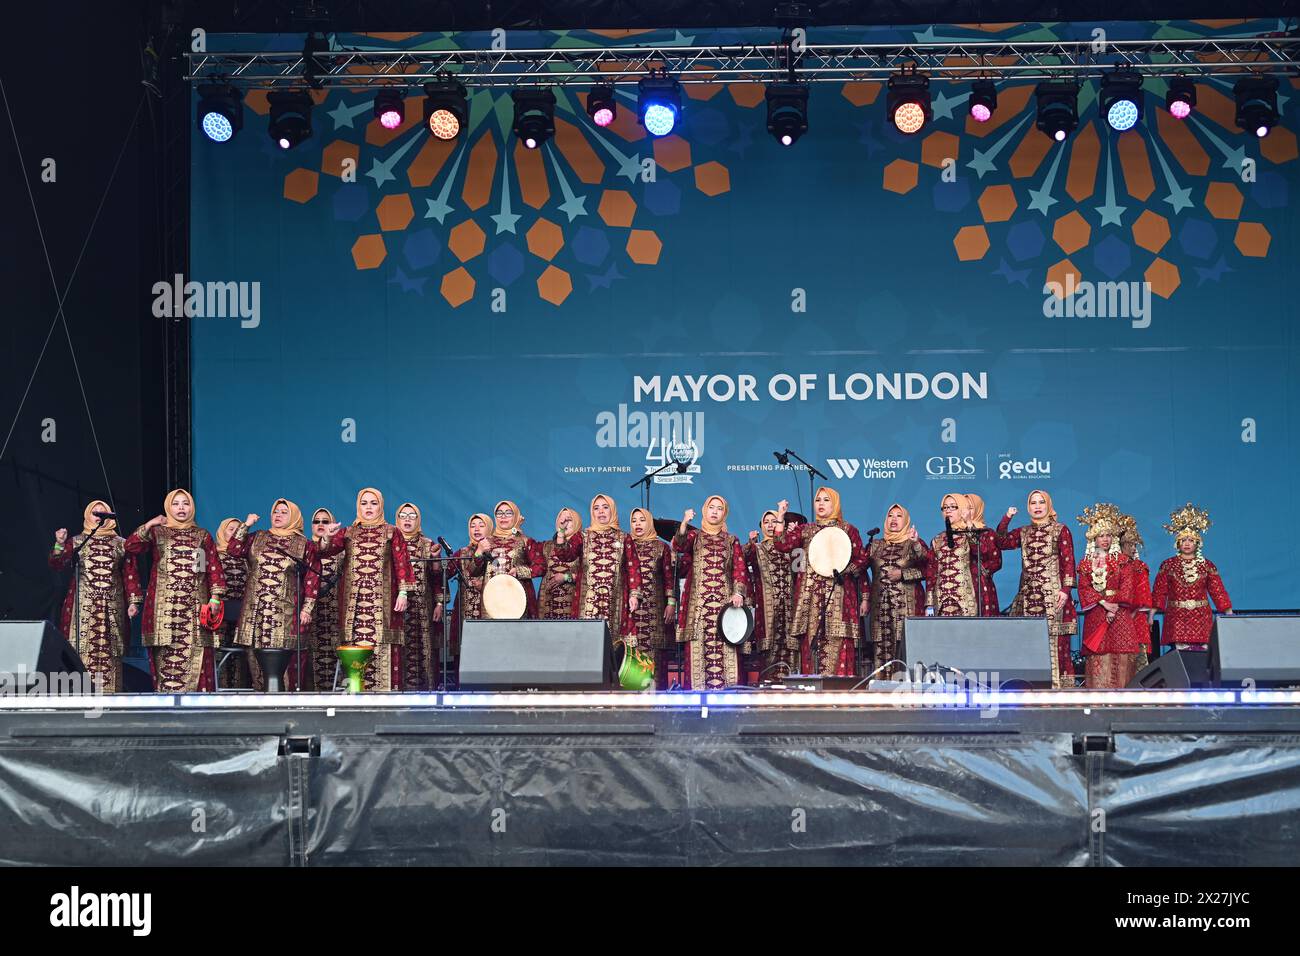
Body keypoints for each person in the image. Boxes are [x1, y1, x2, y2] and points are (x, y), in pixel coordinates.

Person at [125, 488, 227, 692]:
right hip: (163, 609)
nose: (181, 507)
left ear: (192, 507)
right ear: (168, 507)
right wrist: (150, 524)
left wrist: (215, 598)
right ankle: (166, 707)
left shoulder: (202, 536)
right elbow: (131, 547)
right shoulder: (157, 533)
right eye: (176, 503)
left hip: (194, 608)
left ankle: (196, 710)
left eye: (185, 503)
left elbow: (211, 567)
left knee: (196, 654)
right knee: (164, 654)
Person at [318, 488, 414, 691]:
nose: (369, 507)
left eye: (373, 503)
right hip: (354, 605)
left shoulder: (391, 531)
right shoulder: (349, 532)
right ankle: (355, 696)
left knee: (382, 646)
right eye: (364, 503)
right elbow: (324, 550)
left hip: (382, 604)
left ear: (380, 505)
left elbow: (401, 563)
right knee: (354, 647)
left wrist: (403, 592)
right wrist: (328, 535)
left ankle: (386, 701)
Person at [224, 499, 322, 691]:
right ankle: (262, 708)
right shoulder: (257, 537)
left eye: (284, 512)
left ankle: (287, 708)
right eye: (275, 511)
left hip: (284, 614)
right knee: (257, 666)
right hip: (255, 613)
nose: (278, 515)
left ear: (293, 516)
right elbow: (233, 549)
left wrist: (307, 608)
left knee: (284, 669)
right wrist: (246, 525)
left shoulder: (303, 544)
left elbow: (312, 578)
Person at [48, 500, 143, 693]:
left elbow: (130, 573)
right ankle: (81, 694)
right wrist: (59, 544)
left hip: (112, 605)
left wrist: (134, 601)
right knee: (81, 649)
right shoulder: (77, 541)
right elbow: (57, 563)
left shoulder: (121, 544)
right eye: (95, 513)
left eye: (103, 513)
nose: (99, 516)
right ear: (87, 516)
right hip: (83, 606)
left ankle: (111, 696)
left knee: (110, 649)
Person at [773, 487, 868, 676]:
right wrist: (780, 517)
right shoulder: (806, 529)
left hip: (839, 597)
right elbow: (782, 544)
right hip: (812, 599)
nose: (821, 504)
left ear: (835, 504)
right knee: (812, 646)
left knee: (839, 646)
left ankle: (840, 698)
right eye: (818, 500)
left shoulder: (848, 529)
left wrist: (843, 570)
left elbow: (862, 559)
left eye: (826, 500)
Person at [995, 490, 1078, 688]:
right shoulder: (1023, 532)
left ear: (1048, 505)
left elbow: (1068, 561)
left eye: (1041, 502)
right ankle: (1033, 686)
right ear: (1028, 507)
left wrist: (1066, 590)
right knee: (1030, 642)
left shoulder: (1060, 529)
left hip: (1053, 594)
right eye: (1033, 503)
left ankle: (1058, 687)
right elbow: (1001, 542)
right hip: (1029, 596)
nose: (1038, 506)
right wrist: (1007, 518)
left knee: (1056, 643)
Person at [673, 496, 749, 690]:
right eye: (711, 507)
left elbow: (739, 569)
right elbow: (679, 546)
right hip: (699, 607)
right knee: (698, 649)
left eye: (719, 508)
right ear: (705, 510)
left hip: (725, 607)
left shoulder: (732, 540)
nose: (714, 511)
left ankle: (729, 703)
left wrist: (738, 593)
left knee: (726, 651)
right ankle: (696, 705)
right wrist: (684, 523)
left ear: (725, 513)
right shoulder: (694, 536)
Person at [550, 494, 641, 641]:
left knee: (614, 643)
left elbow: (633, 568)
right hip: (588, 600)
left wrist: (634, 594)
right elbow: (565, 555)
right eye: (596, 508)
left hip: (615, 598)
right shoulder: (583, 536)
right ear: (592, 513)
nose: (601, 512)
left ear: (612, 510)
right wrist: (561, 532)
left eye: (605, 508)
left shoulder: (624, 537)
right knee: (589, 643)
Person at [1076, 503, 1141, 688]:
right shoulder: (1086, 564)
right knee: (1098, 655)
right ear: (1093, 539)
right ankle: (1097, 702)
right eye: (1101, 536)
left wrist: (1114, 607)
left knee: (1121, 654)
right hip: (1097, 613)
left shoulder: (1123, 562)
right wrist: (1105, 604)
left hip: (1120, 614)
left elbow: (1127, 587)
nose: (1105, 539)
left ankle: (1121, 703)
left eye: (1108, 535)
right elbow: (1084, 588)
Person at [1152, 502, 1232, 651]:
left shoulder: (1207, 565)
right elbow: (1159, 591)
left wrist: (1228, 611)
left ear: (1197, 543)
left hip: (1201, 617)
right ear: (1177, 543)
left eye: (1190, 540)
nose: (1187, 544)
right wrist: (1152, 613)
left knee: (1202, 656)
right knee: (1180, 657)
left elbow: (1217, 590)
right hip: (1177, 617)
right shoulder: (1168, 565)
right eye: (1183, 540)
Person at [864, 503, 928, 677]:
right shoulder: (875, 545)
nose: (894, 519)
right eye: (891, 515)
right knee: (880, 648)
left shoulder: (912, 543)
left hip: (906, 606)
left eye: (899, 516)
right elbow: (860, 570)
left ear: (906, 520)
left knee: (905, 648)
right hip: (880, 608)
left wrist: (903, 574)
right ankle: (881, 693)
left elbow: (928, 567)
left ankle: (908, 693)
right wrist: (865, 598)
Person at [395, 502, 443, 692]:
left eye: (412, 516)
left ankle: (426, 692)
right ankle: (397, 691)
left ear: (418, 520)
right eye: (403, 515)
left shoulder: (427, 544)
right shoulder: (391, 543)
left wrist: (439, 602)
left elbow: (436, 578)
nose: (407, 519)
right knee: (400, 646)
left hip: (422, 605)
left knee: (422, 647)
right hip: (397, 604)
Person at [744, 510, 798, 679]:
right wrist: (750, 543)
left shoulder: (789, 547)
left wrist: (794, 538)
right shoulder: (757, 548)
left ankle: (793, 684)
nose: (769, 525)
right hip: (767, 606)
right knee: (769, 648)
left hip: (790, 604)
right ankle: (768, 686)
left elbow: (800, 568)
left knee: (790, 645)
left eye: (774, 521)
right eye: (766, 521)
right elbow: (744, 559)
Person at [628, 507, 676, 687]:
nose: (638, 524)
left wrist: (671, 603)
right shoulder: (627, 544)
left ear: (649, 522)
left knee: (654, 653)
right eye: (634, 520)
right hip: (631, 610)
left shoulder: (660, 547)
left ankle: (656, 699)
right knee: (632, 653)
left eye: (642, 520)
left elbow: (668, 578)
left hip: (654, 609)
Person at [471, 500, 543, 618]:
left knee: (516, 634)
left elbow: (540, 567)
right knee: (491, 634)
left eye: (508, 513)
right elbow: (473, 571)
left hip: (517, 597)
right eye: (499, 513)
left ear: (515, 516)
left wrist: (519, 571)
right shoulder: (486, 541)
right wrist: (479, 551)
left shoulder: (525, 541)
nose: (503, 516)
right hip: (492, 597)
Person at [444, 513, 491, 687]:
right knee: (464, 652)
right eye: (473, 525)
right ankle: (462, 691)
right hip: (464, 611)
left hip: (490, 609)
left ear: (489, 527)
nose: (477, 529)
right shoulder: (462, 553)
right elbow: (444, 572)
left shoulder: (496, 551)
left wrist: (485, 584)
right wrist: (435, 563)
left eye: (481, 525)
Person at [925, 493, 981, 617]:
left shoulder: (969, 535)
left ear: (962, 509)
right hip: (941, 599)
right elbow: (931, 572)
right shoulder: (937, 540)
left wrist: (968, 523)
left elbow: (979, 551)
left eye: (953, 507)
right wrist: (929, 603)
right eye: (945, 508)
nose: (948, 511)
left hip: (964, 598)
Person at [308, 508, 345, 690]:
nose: (321, 524)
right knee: (312, 655)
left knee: (337, 652)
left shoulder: (340, 551)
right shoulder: (305, 548)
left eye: (325, 521)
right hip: (311, 613)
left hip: (335, 611)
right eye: (317, 521)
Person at [213, 517, 250, 688]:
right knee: (219, 654)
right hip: (218, 615)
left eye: (238, 529)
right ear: (222, 531)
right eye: (230, 529)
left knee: (240, 658)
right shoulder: (210, 554)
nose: (234, 533)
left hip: (241, 615)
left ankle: (239, 692)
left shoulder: (245, 557)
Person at [1119, 515, 1155, 671]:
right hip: (1117, 614)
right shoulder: (1113, 565)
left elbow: (1144, 592)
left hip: (1136, 615)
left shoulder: (1140, 566)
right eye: (1129, 544)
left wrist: (1134, 611)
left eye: (1135, 545)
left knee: (1139, 657)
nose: (1133, 548)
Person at [960, 493, 1003, 615]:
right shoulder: (953, 533)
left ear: (978, 509)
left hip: (980, 586)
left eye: (971, 508)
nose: (966, 512)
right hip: (959, 586)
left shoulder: (987, 533)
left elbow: (996, 562)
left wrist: (979, 571)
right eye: (964, 507)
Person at [538, 508, 582, 620]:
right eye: (561, 519)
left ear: (576, 522)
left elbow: (589, 576)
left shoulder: (583, 546)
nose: (564, 522)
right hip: (548, 603)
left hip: (572, 603)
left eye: (569, 519)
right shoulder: (546, 546)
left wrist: (566, 577)